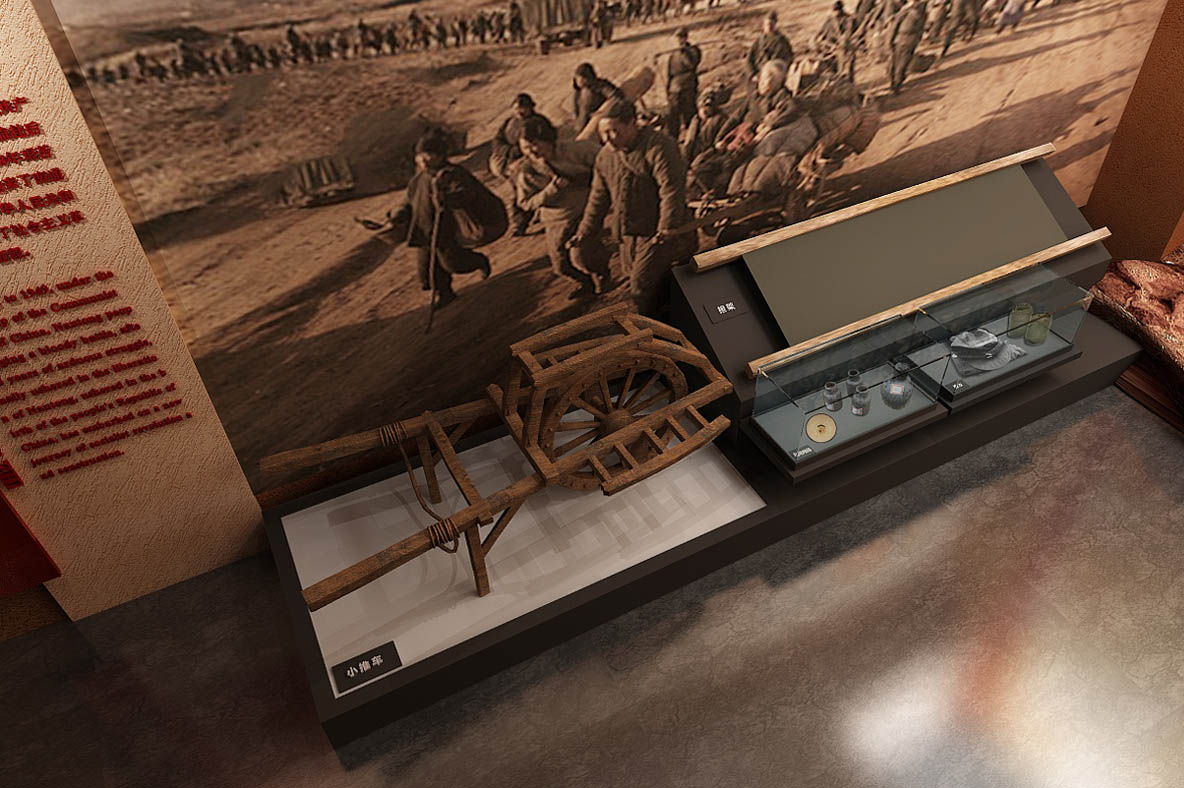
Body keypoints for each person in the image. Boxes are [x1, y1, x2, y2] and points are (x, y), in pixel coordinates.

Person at [570, 101, 694, 316]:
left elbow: (671, 190)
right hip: (628, 232)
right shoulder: (605, 157)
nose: (608, 138)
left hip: (657, 232)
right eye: (603, 133)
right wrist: (584, 232)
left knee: (641, 285)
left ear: (632, 124)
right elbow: (598, 199)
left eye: (614, 131)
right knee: (640, 277)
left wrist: (667, 227)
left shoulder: (659, 146)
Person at [388, 131, 492, 309]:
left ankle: (479, 261)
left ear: (441, 156)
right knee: (427, 270)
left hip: (446, 229)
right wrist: (398, 214)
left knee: (453, 263)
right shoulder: (418, 179)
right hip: (424, 229)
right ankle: (445, 293)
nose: (423, 160)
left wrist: (447, 198)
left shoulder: (453, 173)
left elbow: (466, 194)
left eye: (429, 155)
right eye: (420, 156)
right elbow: (410, 201)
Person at [516, 116, 612, 298]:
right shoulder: (528, 171)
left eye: (535, 145)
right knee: (561, 266)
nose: (531, 152)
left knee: (580, 255)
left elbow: (609, 163)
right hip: (555, 222)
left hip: (584, 213)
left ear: (548, 140)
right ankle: (585, 283)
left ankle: (601, 272)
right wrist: (551, 191)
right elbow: (525, 203)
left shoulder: (577, 150)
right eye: (525, 148)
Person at [492, 93, 550, 235]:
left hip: (533, 160)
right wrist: (508, 152)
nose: (519, 111)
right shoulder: (509, 123)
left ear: (530, 107)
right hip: (511, 162)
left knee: (530, 190)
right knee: (518, 191)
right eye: (516, 108)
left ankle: (526, 222)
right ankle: (519, 223)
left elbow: (546, 141)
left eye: (523, 108)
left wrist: (522, 152)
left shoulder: (539, 122)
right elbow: (497, 141)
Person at [665, 27, 702, 137]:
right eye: (678, 37)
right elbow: (670, 72)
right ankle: (672, 139)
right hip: (675, 88)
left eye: (682, 37)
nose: (680, 40)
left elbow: (691, 65)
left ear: (686, 37)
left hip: (688, 87)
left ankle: (692, 138)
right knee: (673, 116)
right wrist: (668, 88)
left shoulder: (694, 51)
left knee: (689, 114)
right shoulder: (673, 54)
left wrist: (684, 53)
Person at [572, 63, 625, 132]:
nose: (578, 81)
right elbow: (577, 109)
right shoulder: (578, 92)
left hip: (596, 123)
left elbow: (614, 96)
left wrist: (601, 113)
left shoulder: (599, 86)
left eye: (580, 78)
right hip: (582, 124)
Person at [890, 0, 927, 93]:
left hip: (907, 39)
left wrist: (890, 40)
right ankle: (896, 82)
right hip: (904, 38)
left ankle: (896, 84)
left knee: (901, 62)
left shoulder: (916, 14)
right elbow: (895, 27)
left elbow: (895, 26)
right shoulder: (911, 13)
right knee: (898, 62)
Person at [815, 1, 858, 81]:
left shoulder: (848, 19)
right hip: (829, 46)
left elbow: (847, 35)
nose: (835, 12)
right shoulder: (830, 20)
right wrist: (817, 41)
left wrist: (841, 44)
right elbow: (820, 33)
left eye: (837, 10)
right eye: (834, 10)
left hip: (842, 46)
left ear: (841, 10)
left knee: (844, 57)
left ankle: (845, 79)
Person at [746, 11, 794, 81]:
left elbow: (789, 58)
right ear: (763, 26)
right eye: (767, 24)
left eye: (771, 24)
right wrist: (752, 74)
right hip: (760, 74)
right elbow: (749, 59)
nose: (769, 27)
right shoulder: (759, 41)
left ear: (775, 24)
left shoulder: (782, 41)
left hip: (777, 74)